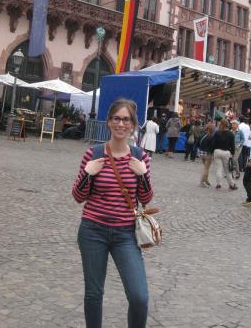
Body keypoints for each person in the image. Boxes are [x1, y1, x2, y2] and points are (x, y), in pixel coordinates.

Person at [72, 98, 153, 328]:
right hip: (92, 231)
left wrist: (142, 175)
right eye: (116, 118)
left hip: (126, 234)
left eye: (126, 119)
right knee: (94, 294)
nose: (121, 124)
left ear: (133, 125)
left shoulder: (141, 157)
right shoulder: (93, 154)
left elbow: (145, 199)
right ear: (108, 122)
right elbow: (78, 197)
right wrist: (88, 173)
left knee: (139, 297)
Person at [211, 119, 237, 190]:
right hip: (226, 152)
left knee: (218, 169)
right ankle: (231, 184)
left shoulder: (217, 133)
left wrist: (212, 151)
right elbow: (232, 145)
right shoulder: (231, 134)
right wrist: (233, 153)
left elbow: (213, 143)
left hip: (217, 151)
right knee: (227, 170)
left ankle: (219, 184)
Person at [198, 122, 215, 187]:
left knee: (206, 167)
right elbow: (213, 146)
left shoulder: (203, 134)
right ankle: (202, 182)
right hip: (208, 153)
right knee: (206, 168)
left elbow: (198, 142)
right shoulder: (211, 136)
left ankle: (206, 180)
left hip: (201, 152)